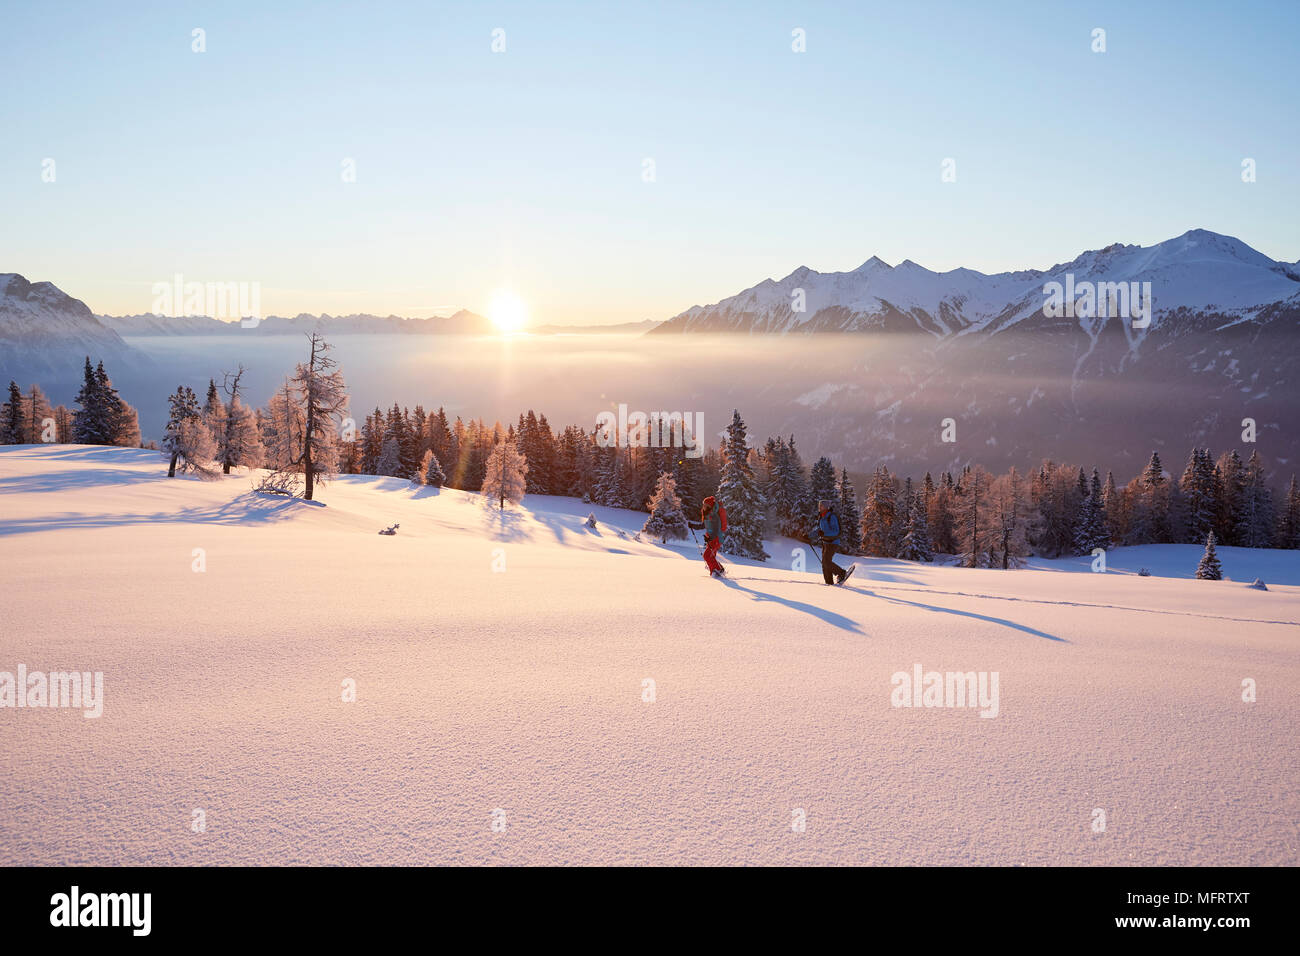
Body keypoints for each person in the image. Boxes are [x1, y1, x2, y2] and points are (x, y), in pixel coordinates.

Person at [816, 499, 847, 585]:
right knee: (824, 564)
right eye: (819, 505)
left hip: (833, 543)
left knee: (826, 562)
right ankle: (829, 583)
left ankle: (841, 573)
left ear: (826, 507)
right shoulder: (821, 517)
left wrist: (824, 533)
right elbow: (819, 530)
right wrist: (808, 536)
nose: (819, 507)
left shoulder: (831, 517)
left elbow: (835, 531)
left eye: (821, 506)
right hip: (825, 543)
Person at [701, 495, 726, 577]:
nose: (703, 506)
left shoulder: (714, 516)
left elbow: (716, 529)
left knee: (707, 556)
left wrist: (709, 538)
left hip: (716, 539)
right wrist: (692, 525)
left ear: (709, 506)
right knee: (711, 556)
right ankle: (715, 572)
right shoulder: (707, 515)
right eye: (703, 504)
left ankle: (718, 571)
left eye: (705, 505)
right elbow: (703, 525)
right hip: (711, 539)